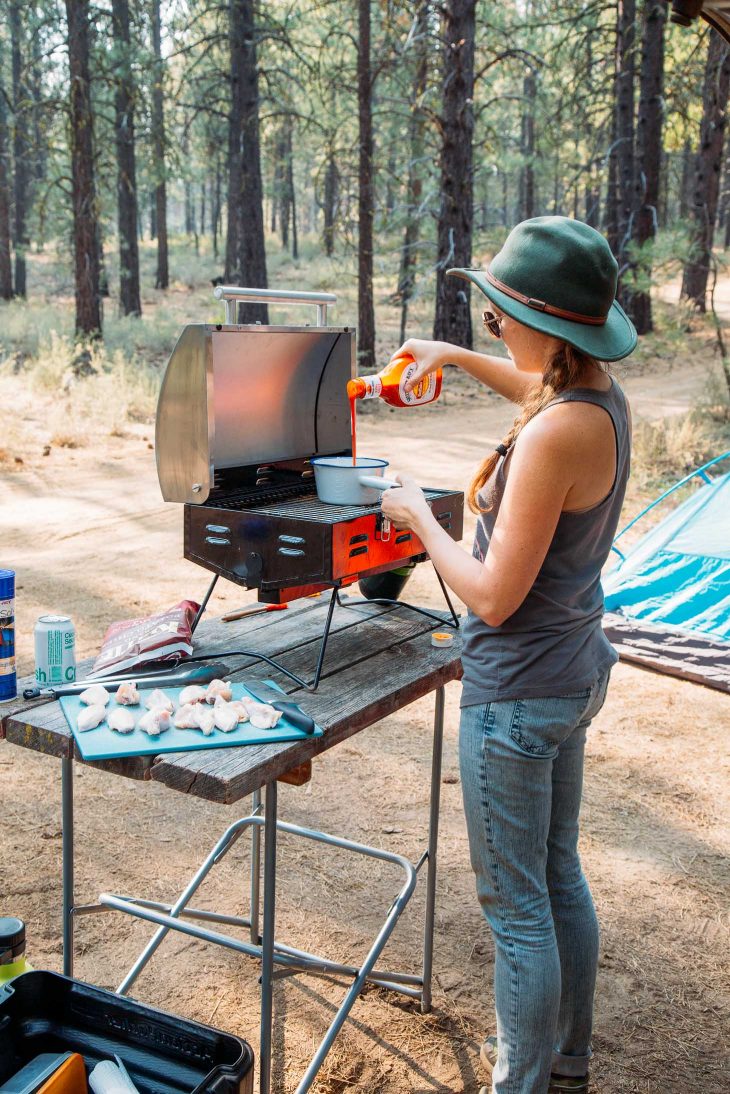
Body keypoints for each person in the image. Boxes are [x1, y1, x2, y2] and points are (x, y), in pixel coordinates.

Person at [379, 216, 636, 1094]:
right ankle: (568, 1065)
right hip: (570, 674)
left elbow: (490, 595)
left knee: (517, 908)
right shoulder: (596, 396)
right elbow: (532, 383)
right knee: (557, 873)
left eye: (496, 316)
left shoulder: (558, 433)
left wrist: (417, 513)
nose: (496, 329)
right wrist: (450, 355)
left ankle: (518, 1083)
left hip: (519, 695)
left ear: (545, 326)